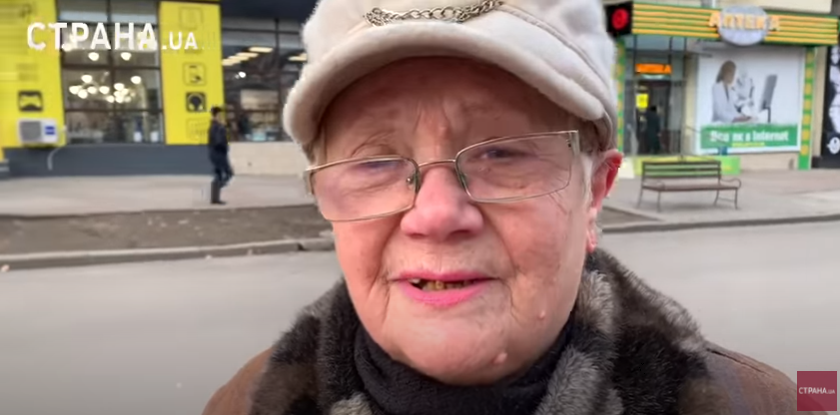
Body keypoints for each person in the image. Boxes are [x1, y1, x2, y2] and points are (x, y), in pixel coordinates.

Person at [203, 0, 817, 414]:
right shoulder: (241, 404)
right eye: (375, 162)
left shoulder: (766, 405)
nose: (434, 215)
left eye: (501, 152)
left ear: (594, 193)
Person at [208, 106, 233, 205]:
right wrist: (225, 146)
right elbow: (219, 141)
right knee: (228, 173)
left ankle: (215, 197)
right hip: (219, 153)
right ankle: (216, 193)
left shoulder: (213, 126)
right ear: (216, 116)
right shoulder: (218, 127)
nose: (222, 117)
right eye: (220, 115)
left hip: (214, 153)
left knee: (219, 174)